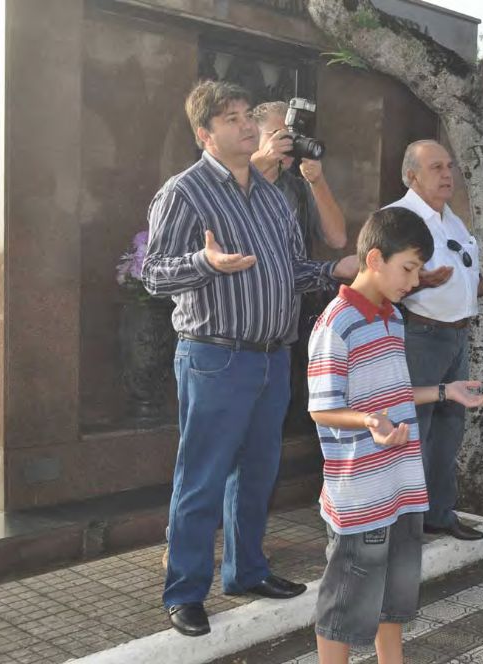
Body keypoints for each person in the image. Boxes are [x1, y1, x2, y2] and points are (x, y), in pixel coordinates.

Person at [142, 80, 356, 637]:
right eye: (231, 119)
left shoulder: (271, 197)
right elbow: (154, 274)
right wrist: (206, 262)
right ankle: (186, 592)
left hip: (272, 357)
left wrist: (334, 271)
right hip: (215, 357)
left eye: (245, 116)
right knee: (202, 478)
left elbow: (292, 271)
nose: (244, 125)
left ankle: (246, 571)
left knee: (258, 472)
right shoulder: (184, 192)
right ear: (204, 134)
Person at [307, 207, 483, 664]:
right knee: (345, 607)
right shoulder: (337, 323)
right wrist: (370, 422)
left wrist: (445, 392)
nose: (414, 281)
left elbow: (393, 393)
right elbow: (322, 407)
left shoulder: (391, 317)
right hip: (361, 496)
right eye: (409, 268)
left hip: (402, 488)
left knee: (393, 600)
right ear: (374, 259)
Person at [387, 139, 483, 541]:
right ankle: (405, 521)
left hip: (456, 336)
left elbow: (462, 282)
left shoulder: (452, 220)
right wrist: (419, 281)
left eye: (449, 165)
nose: (448, 174)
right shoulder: (397, 219)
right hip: (419, 335)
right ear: (412, 175)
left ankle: (440, 512)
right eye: (436, 167)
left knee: (449, 433)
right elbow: (379, 281)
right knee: (412, 429)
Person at [251, 100, 348, 431]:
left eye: (291, 134)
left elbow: (337, 238)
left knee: (266, 446)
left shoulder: (295, 188)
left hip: (282, 339)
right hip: (233, 344)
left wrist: (317, 181)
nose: (286, 143)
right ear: (252, 137)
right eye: (277, 134)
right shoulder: (228, 180)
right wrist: (259, 162)